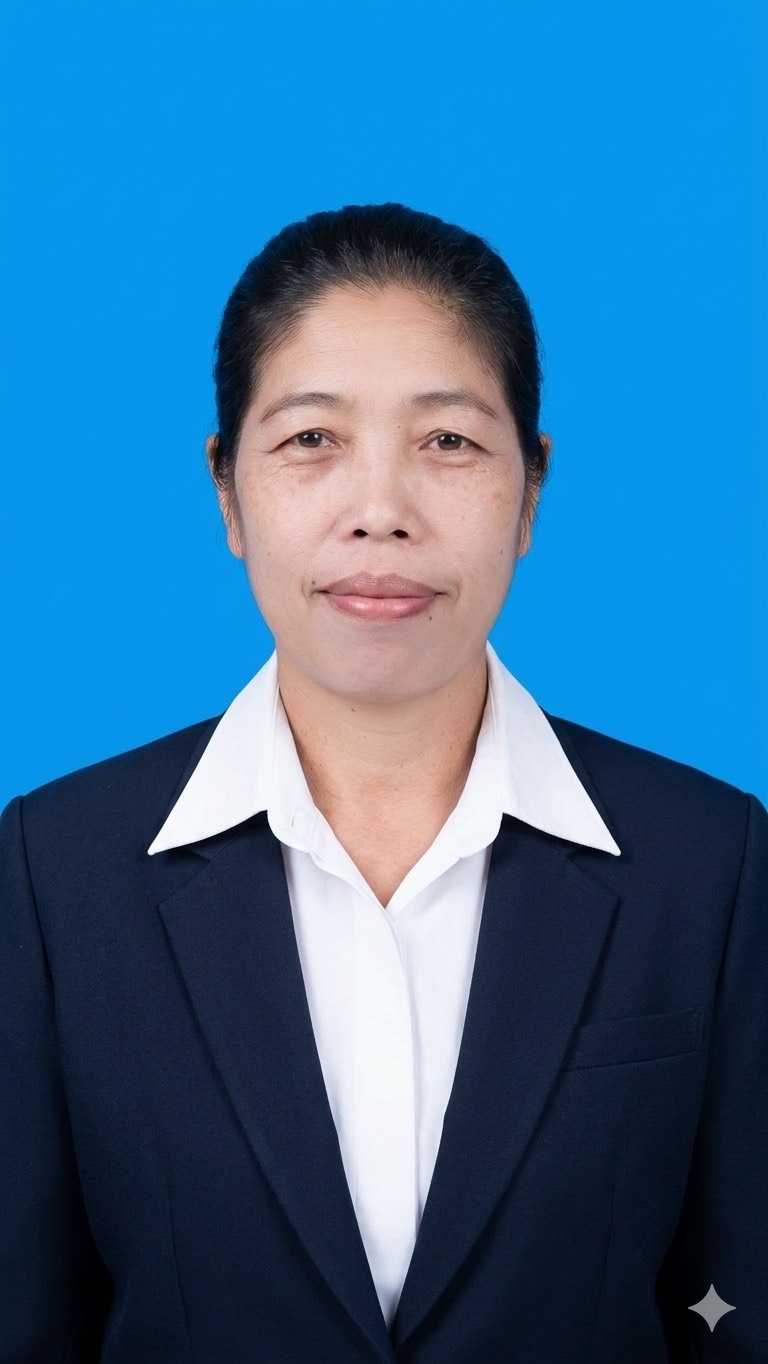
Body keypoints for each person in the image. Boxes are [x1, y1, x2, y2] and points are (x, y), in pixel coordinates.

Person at [1, 202, 765, 1364]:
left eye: (447, 441)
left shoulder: (709, 862)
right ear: (226, 490)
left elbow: (739, 1313)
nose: (380, 513)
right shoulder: (56, 874)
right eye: (311, 438)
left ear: (532, 488)